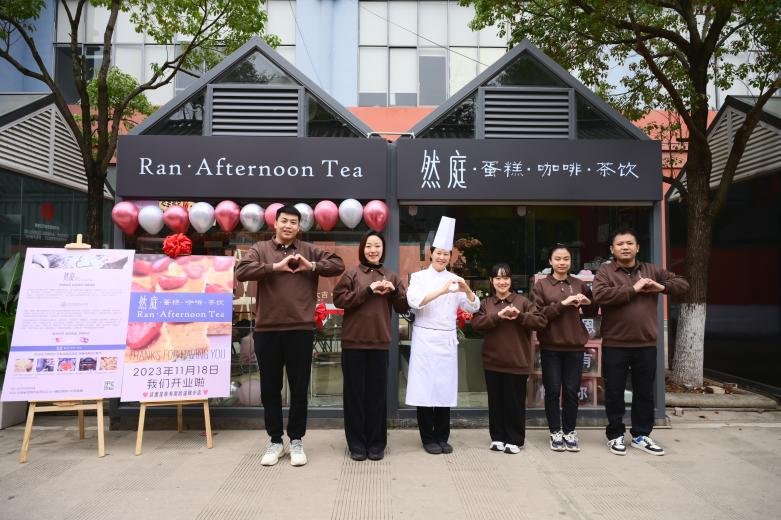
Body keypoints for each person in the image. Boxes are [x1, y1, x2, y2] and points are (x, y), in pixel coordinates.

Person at [235, 205, 345, 467]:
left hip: (300, 329)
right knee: (270, 389)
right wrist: (275, 267)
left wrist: (312, 265)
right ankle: (275, 441)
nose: (288, 226)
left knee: (298, 388)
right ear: (275, 223)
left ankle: (296, 440)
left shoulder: (308, 250)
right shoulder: (261, 249)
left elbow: (337, 264)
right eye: (284, 221)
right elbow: (242, 271)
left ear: (299, 227)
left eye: (293, 222)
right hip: (267, 330)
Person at [592, 227, 689, 457]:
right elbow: (600, 295)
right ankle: (615, 435)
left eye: (629, 243)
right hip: (615, 343)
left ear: (637, 247)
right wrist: (633, 289)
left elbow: (683, 284)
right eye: (620, 244)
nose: (625, 247)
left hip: (645, 344)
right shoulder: (605, 272)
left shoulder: (651, 270)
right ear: (612, 249)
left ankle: (641, 435)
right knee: (614, 392)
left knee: (644, 392)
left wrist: (662, 287)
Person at [406, 217, 480, 455]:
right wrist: (442, 290)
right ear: (431, 254)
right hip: (425, 339)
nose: (441, 257)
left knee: (444, 389)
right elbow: (415, 301)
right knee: (425, 390)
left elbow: (473, 307)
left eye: (446, 254)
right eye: (438, 253)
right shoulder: (419, 278)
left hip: (446, 340)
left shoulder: (456, 280)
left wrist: (466, 290)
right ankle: (428, 438)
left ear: (450, 256)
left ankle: (442, 436)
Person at [333, 231, 409, 461]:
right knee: (354, 396)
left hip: (380, 342)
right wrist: (368, 290)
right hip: (353, 342)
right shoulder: (352, 273)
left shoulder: (391, 275)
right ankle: (356, 444)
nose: (373, 250)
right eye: (369, 246)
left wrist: (394, 291)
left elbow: (403, 306)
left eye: (377, 246)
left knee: (377, 396)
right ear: (362, 249)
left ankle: (377, 443)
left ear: (383, 249)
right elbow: (339, 300)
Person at [471, 263, 547, 454]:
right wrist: (498, 316)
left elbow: (540, 321)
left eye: (505, 278)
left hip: (517, 361)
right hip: (492, 361)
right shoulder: (486, 303)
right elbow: (477, 324)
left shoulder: (523, 302)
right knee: (495, 402)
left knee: (514, 403)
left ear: (511, 280)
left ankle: (515, 439)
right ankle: (497, 437)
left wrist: (520, 316)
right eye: (497, 278)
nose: (502, 282)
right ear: (491, 281)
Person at [531, 245, 598, 452]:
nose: (562, 262)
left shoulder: (579, 283)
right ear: (550, 262)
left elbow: (592, 311)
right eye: (558, 259)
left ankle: (569, 431)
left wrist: (587, 301)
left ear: (571, 261)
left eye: (566, 259)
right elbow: (538, 315)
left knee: (571, 391)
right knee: (552, 391)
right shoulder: (541, 286)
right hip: (551, 345)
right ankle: (555, 432)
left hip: (575, 345)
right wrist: (563, 304)